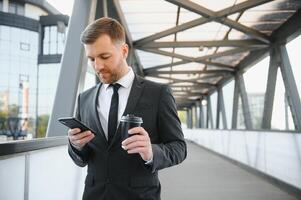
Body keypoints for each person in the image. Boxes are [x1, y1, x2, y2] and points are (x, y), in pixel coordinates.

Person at [68, 17, 187, 200]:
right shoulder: (84, 99)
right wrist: (76, 146)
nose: (97, 66)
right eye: (91, 59)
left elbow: (179, 148)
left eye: (104, 57)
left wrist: (150, 152)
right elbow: (81, 159)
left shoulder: (158, 93)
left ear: (124, 51)